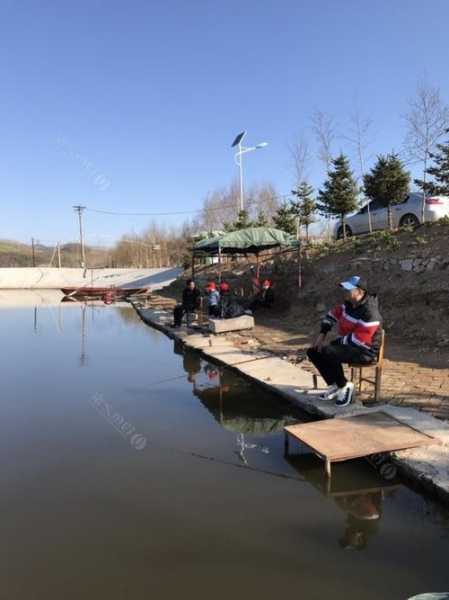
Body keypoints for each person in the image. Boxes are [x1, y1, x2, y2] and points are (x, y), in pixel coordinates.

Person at [307, 276, 382, 407]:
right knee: (313, 352)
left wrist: (334, 341)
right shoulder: (348, 305)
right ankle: (335, 385)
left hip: (365, 350)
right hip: (349, 345)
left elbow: (359, 340)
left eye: (348, 289)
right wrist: (322, 334)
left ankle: (345, 385)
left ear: (359, 292)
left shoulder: (370, 312)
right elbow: (331, 315)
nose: (345, 292)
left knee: (328, 350)